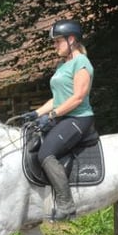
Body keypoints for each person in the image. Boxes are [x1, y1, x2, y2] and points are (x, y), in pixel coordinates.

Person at [21, 19, 95, 221]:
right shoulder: (63, 65)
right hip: (63, 117)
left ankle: (66, 205)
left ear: (71, 40)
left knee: (46, 153)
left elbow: (78, 97)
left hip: (78, 118)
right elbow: (57, 99)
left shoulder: (82, 63)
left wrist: (51, 116)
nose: (55, 46)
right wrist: (36, 114)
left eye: (57, 41)